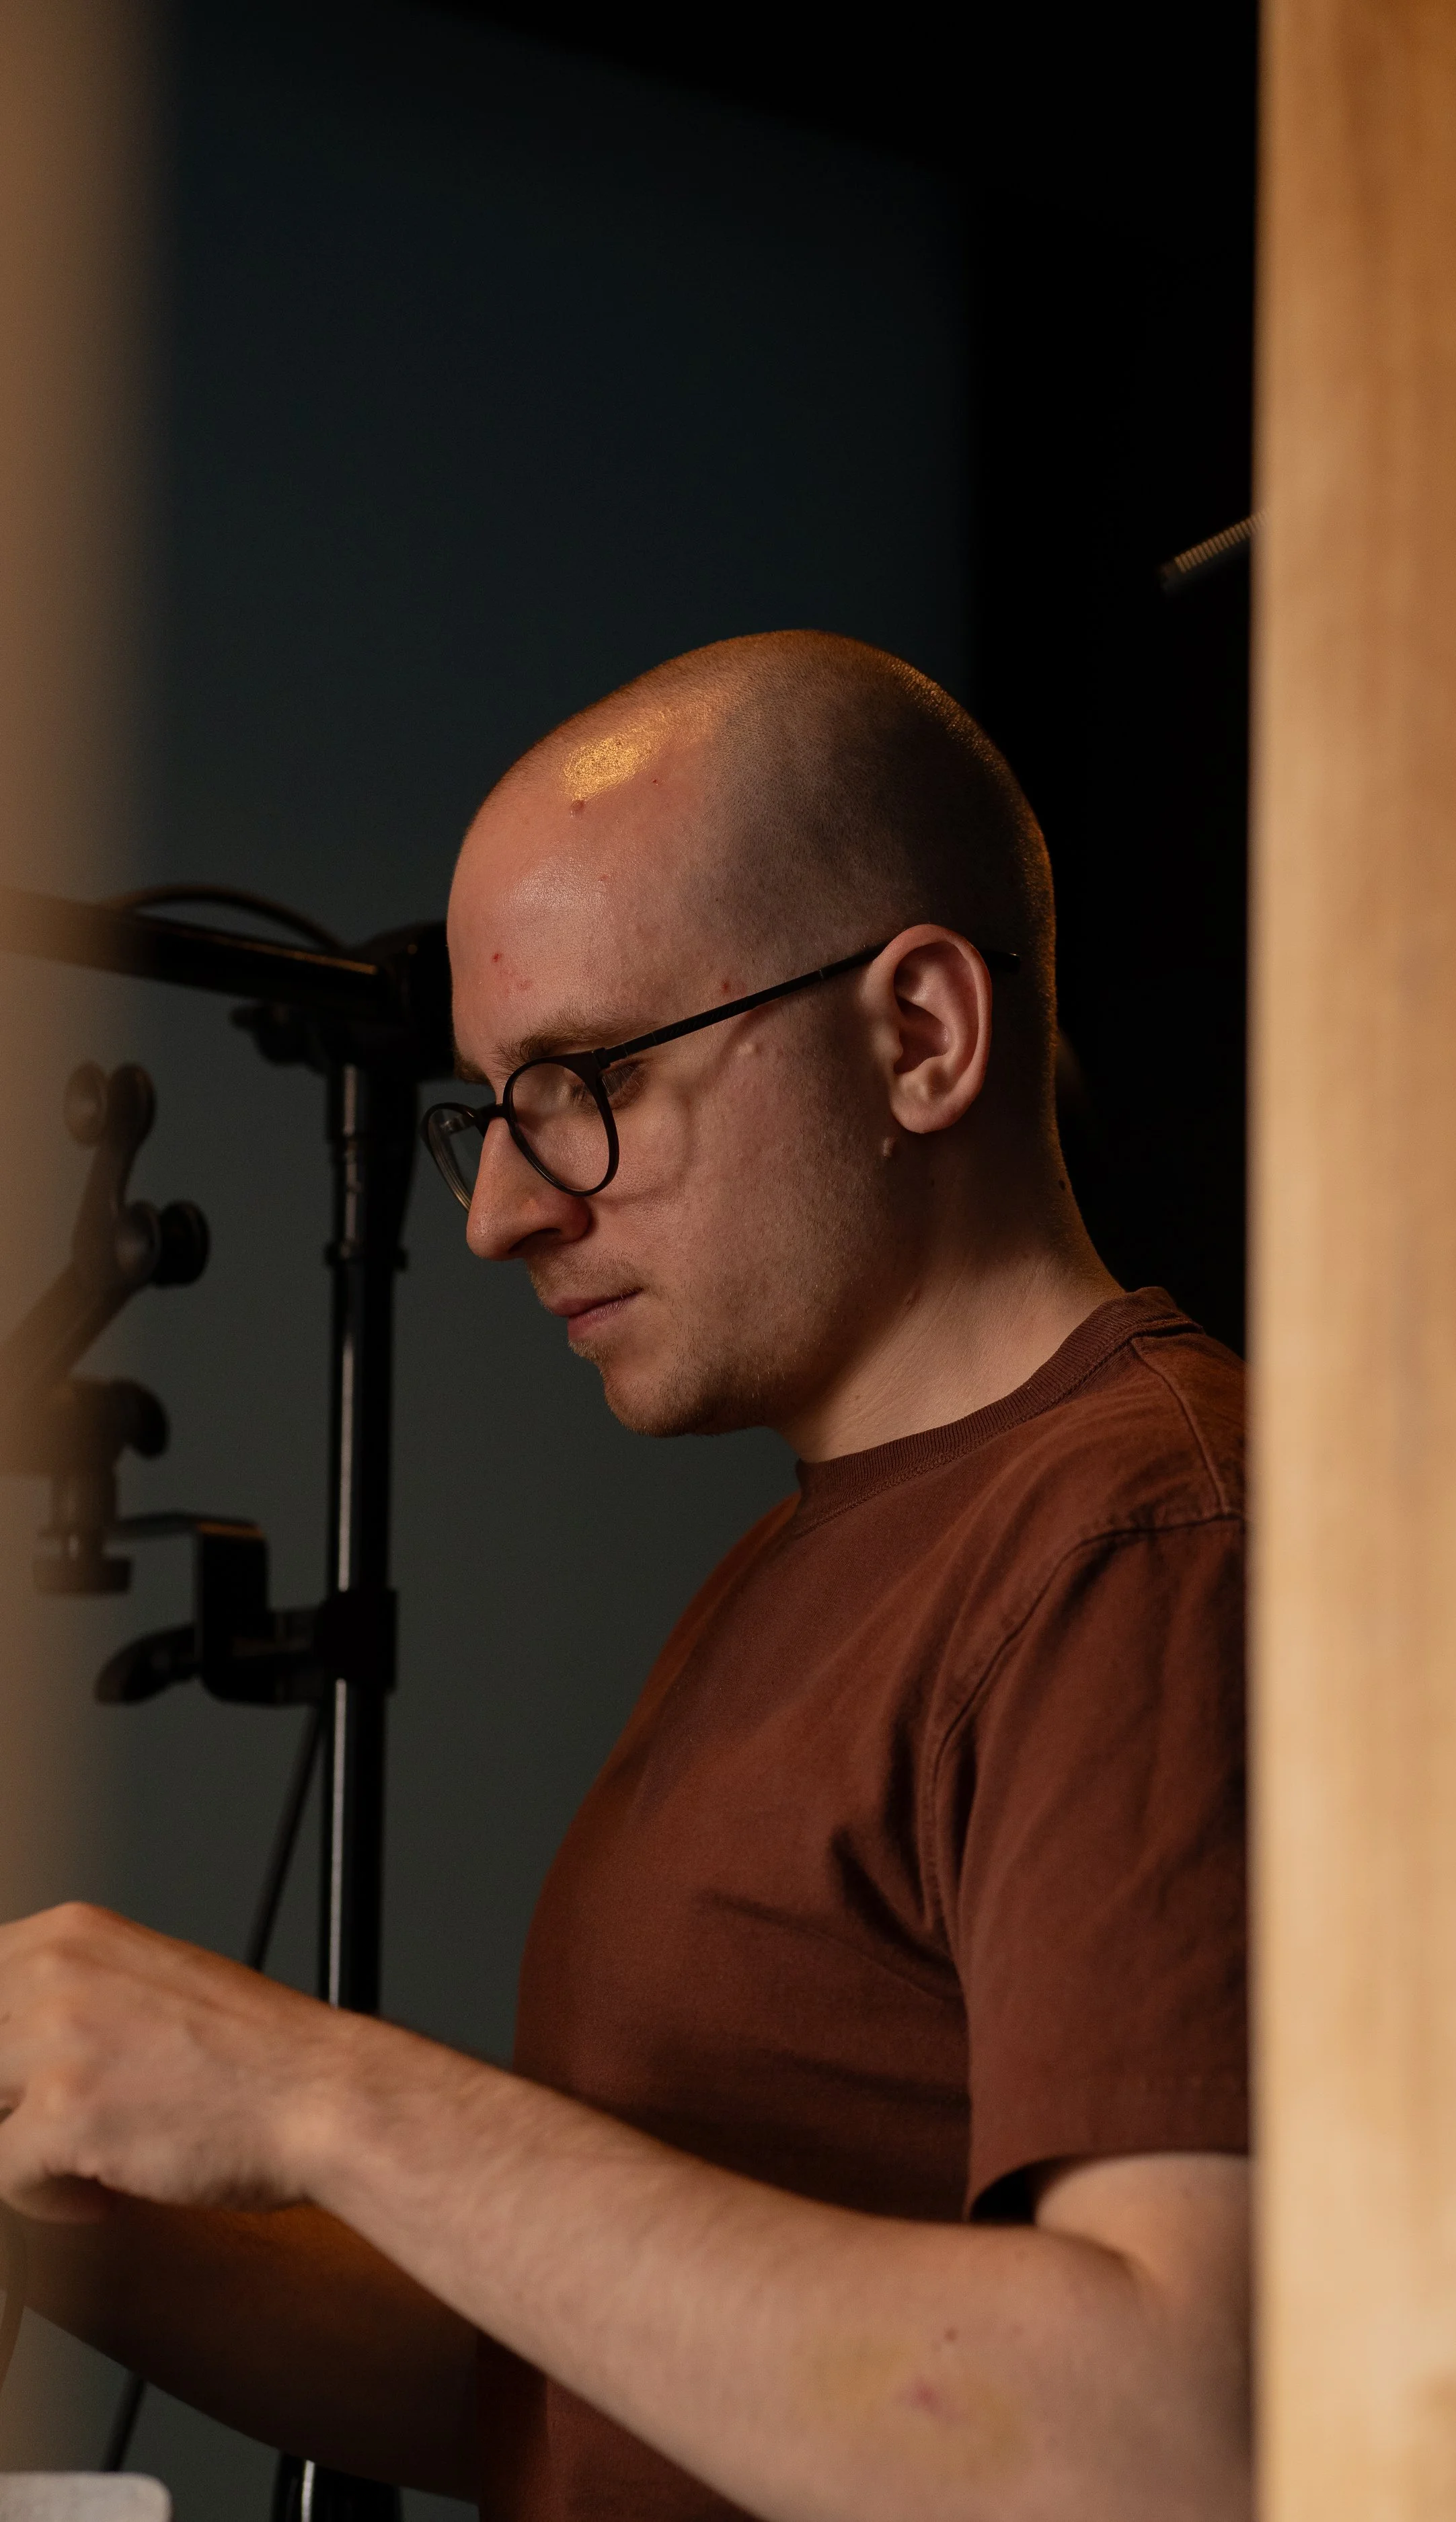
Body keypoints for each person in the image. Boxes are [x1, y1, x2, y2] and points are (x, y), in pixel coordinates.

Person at [0, 633, 1250, 2521]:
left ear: (918, 1034)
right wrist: (48, 2204)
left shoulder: (1145, 1545)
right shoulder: (804, 1560)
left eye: (581, 1078)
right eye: (489, 1107)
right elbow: (579, 2375)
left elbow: (1173, 2444)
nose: (502, 1208)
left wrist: (311, 2094)